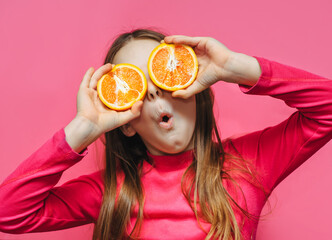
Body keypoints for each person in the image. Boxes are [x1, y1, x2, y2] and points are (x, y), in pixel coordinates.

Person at [0, 29, 331, 240]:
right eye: (136, 87)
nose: (154, 92)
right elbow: (9, 213)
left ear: (195, 91)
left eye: (166, 75)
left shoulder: (249, 162)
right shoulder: (112, 191)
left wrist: (237, 67)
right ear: (126, 122)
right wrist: (82, 128)